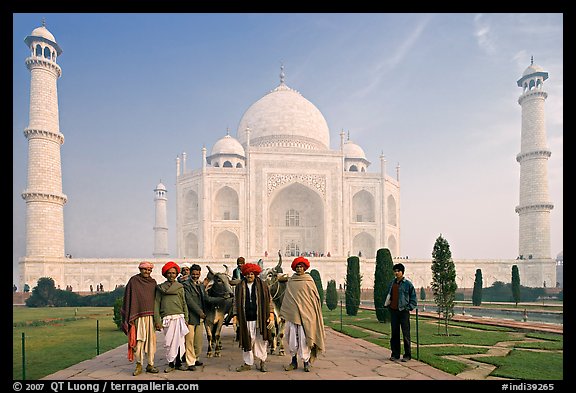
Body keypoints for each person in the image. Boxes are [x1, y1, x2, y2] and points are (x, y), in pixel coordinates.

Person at [280, 256, 325, 372]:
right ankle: (293, 361)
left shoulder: (309, 280)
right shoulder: (292, 281)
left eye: (301, 267)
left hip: (307, 315)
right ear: (295, 268)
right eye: (297, 267)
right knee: (292, 340)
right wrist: (285, 314)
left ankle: (306, 362)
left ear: (304, 268)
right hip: (292, 315)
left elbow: (314, 298)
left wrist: (312, 313)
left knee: (305, 339)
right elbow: (288, 298)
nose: (299, 269)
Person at [232, 262, 275, 372]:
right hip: (245, 318)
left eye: (251, 274)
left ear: (255, 274)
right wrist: (235, 316)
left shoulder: (263, 286)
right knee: (248, 340)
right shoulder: (239, 287)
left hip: (260, 318)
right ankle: (247, 363)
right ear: (244, 275)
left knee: (260, 340)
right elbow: (236, 303)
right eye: (247, 274)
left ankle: (262, 361)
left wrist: (271, 315)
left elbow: (269, 301)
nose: (249, 276)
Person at [120, 261, 160, 376]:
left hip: (150, 317)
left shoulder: (153, 283)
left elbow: (156, 300)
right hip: (137, 316)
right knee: (139, 341)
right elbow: (128, 298)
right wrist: (129, 316)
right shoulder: (134, 281)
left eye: (149, 270)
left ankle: (150, 364)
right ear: (140, 269)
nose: (147, 272)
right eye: (145, 269)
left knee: (151, 342)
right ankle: (139, 364)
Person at [154, 261, 189, 373]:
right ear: (165, 274)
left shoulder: (179, 287)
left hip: (179, 316)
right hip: (167, 317)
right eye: (169, 273)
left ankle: (178, 363)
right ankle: (170, 363)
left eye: (174, 273)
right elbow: (156, 303)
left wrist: (186, 318)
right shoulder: (160, 288)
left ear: (176, 274)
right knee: (169, 342)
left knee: (179, 342)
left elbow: (184, 302)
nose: (171, 275)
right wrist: (157, 320)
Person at [385, 262, 417, 362]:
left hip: (403, 311)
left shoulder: (408, 284)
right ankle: (395, 354)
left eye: (398, 271)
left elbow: (413, 298)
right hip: (394, 311)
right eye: (395, 271)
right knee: (394, 334)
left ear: (402, 272)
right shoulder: (392, 283)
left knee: (406, 334)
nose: (396, 273)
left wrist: (409, 308)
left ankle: (407, 355)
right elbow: (389, 295)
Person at [182, 264, 208, 371]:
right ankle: (190, 362)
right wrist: (200, 312)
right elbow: (189, 301)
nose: (195, 276)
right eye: (193, 274)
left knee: (198, 341)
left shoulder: (200, 285)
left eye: (197, 274)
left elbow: (206, 299)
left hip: (200, 318)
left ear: (200, 273)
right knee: (189, 341)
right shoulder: (186, 285)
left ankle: (196, 357)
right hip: (191, 317)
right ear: (190, 274)